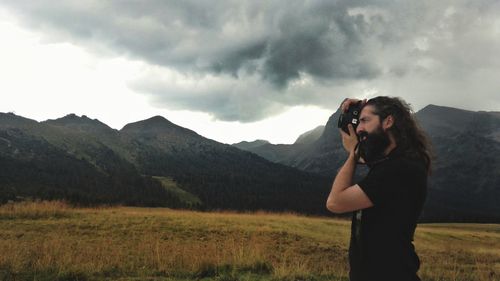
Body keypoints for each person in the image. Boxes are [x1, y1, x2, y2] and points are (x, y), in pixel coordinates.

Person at [326, 96, 432, 281]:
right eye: (358, 122)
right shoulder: (397, 164)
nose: (359, 129)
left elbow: (335, 202)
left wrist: (353, 154)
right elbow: (374, 164)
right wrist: (360, 109)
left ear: (388, 121)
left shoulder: (399, 169)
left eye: (365, 121)